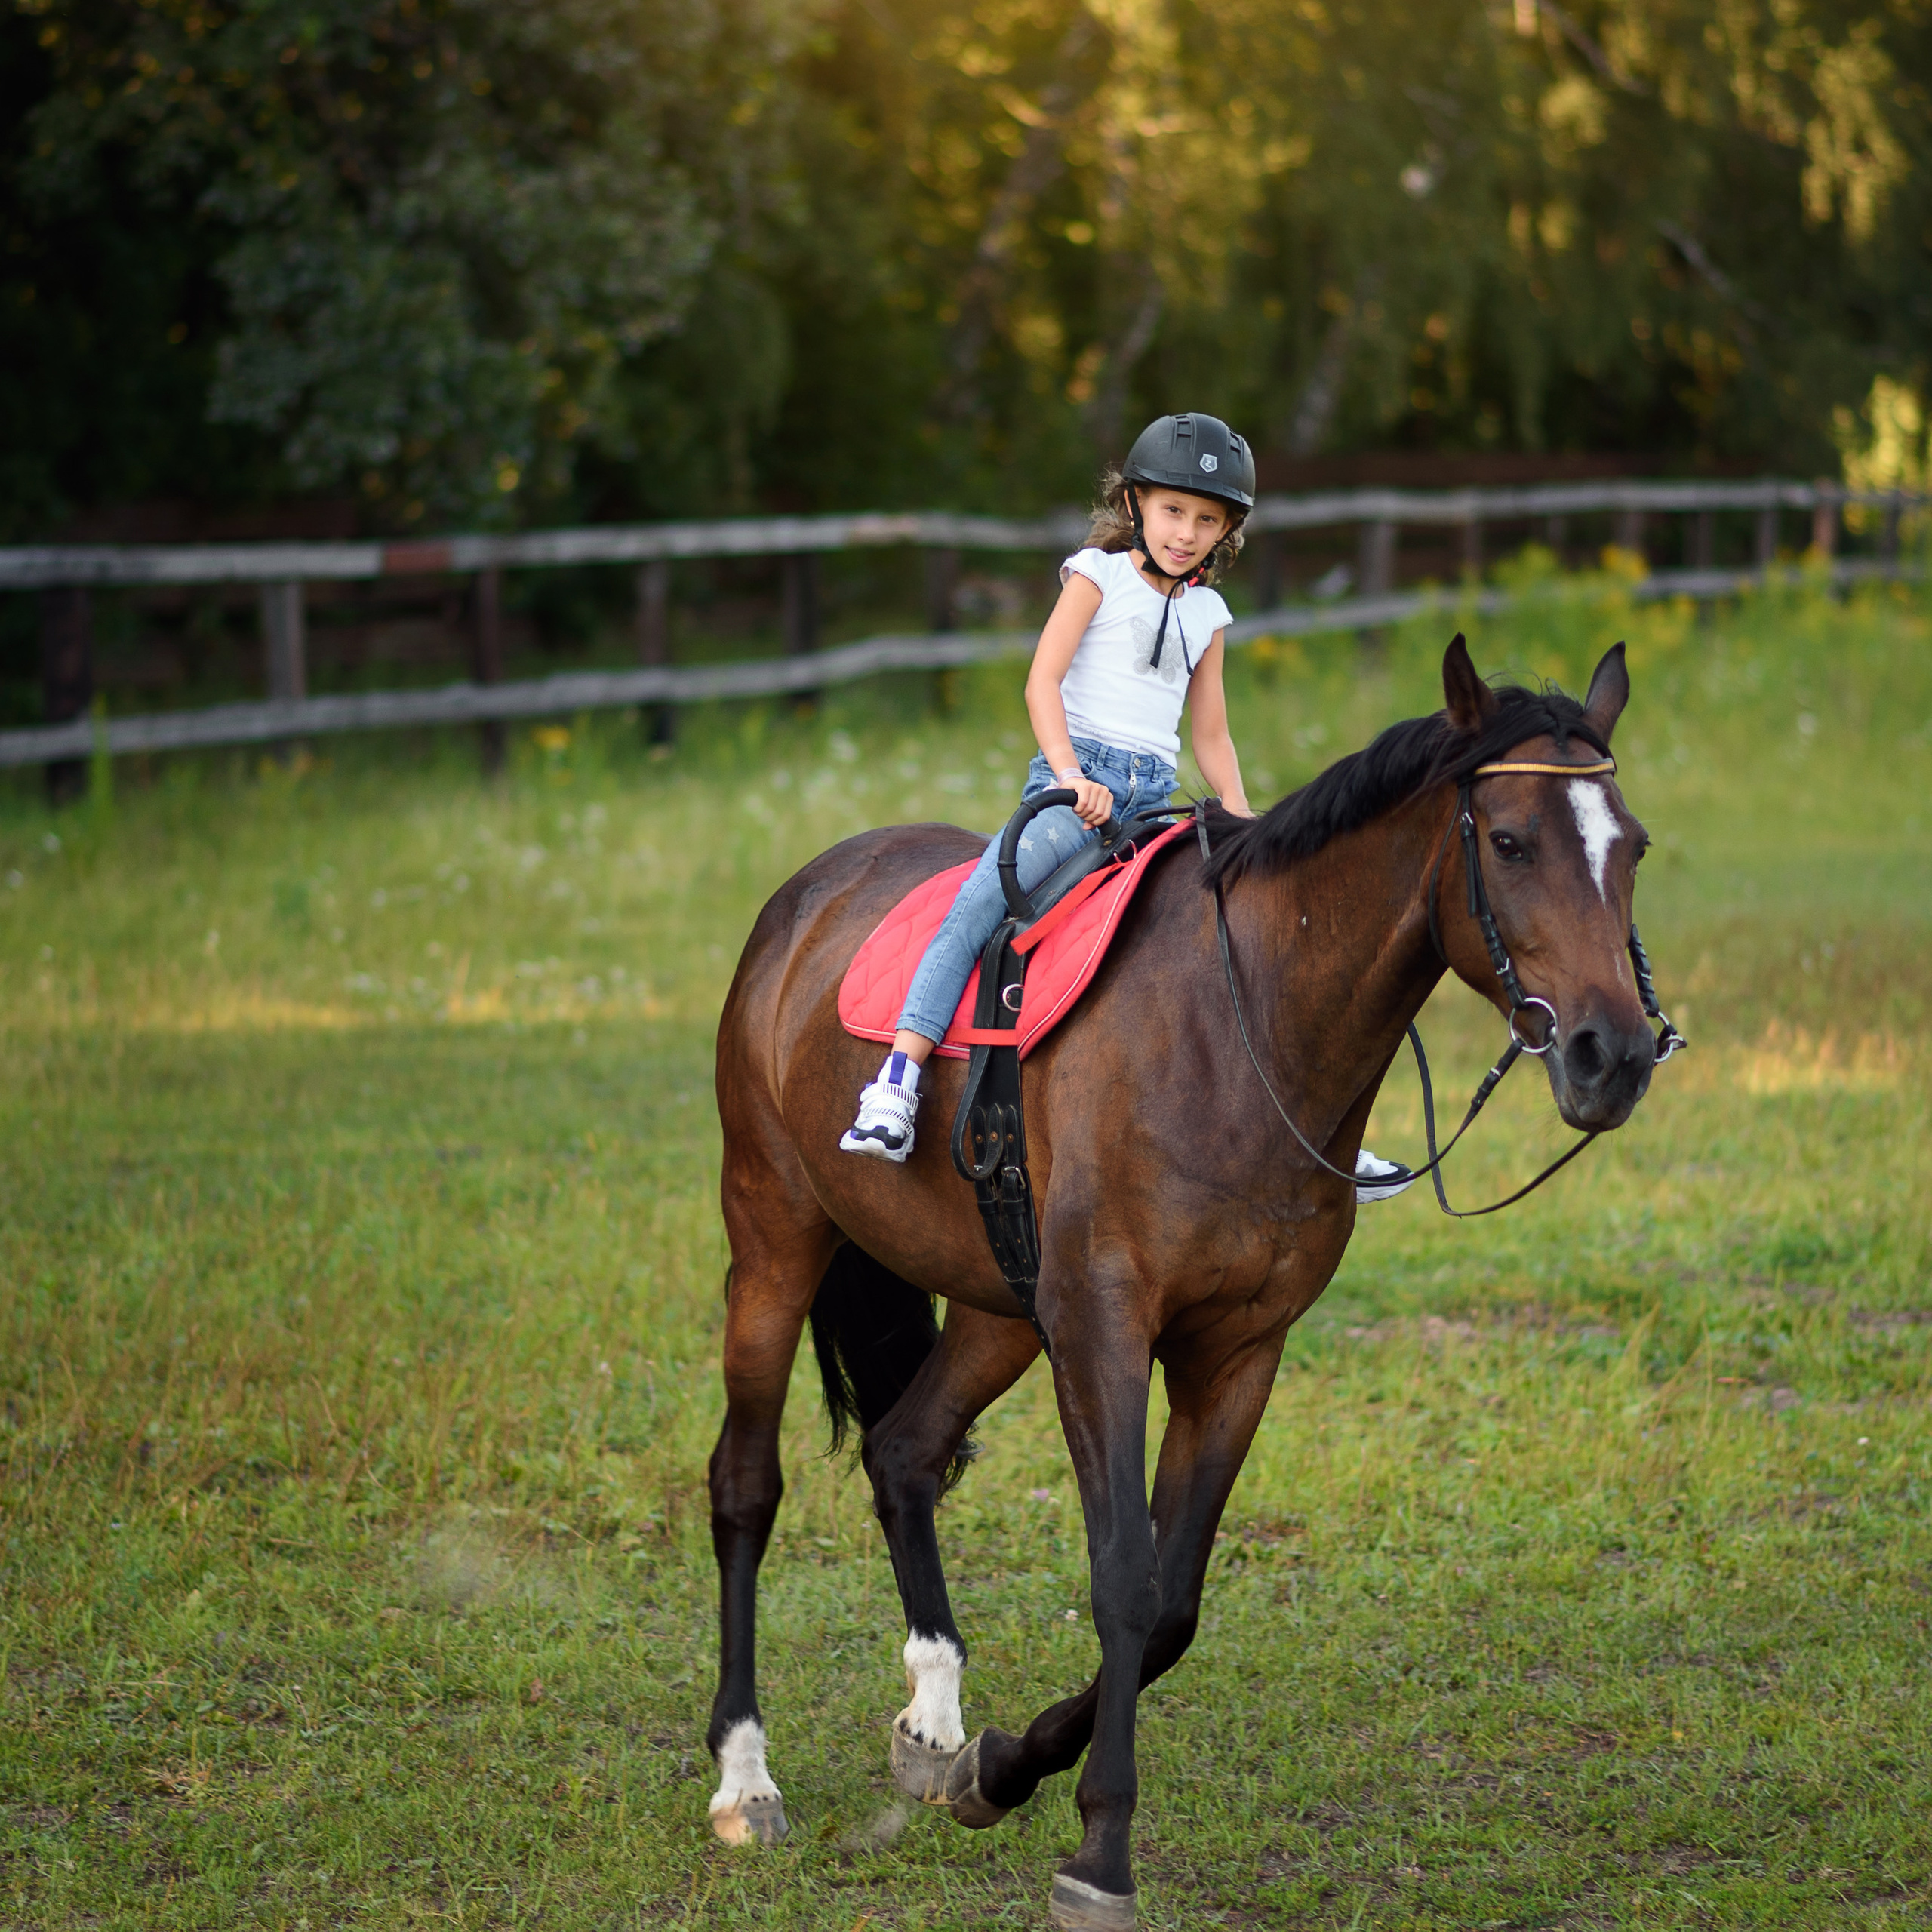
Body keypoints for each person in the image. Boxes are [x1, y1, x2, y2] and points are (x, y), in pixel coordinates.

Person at [840, 411, 1411, 1204]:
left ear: (1226, 532)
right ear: (1137, 501)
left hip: (1155, 795)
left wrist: (1240, 815)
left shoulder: (1209, 616)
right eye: (1174, 510)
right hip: (1076, 786)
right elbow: (1041, 681)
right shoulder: (1095, 577)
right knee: (981, 900)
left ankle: (1320, 1138)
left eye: (1207, 519)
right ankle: (896, 1080)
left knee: (1254, 929)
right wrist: (1071, 777)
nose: (1186, 532)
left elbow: (1209, 732)